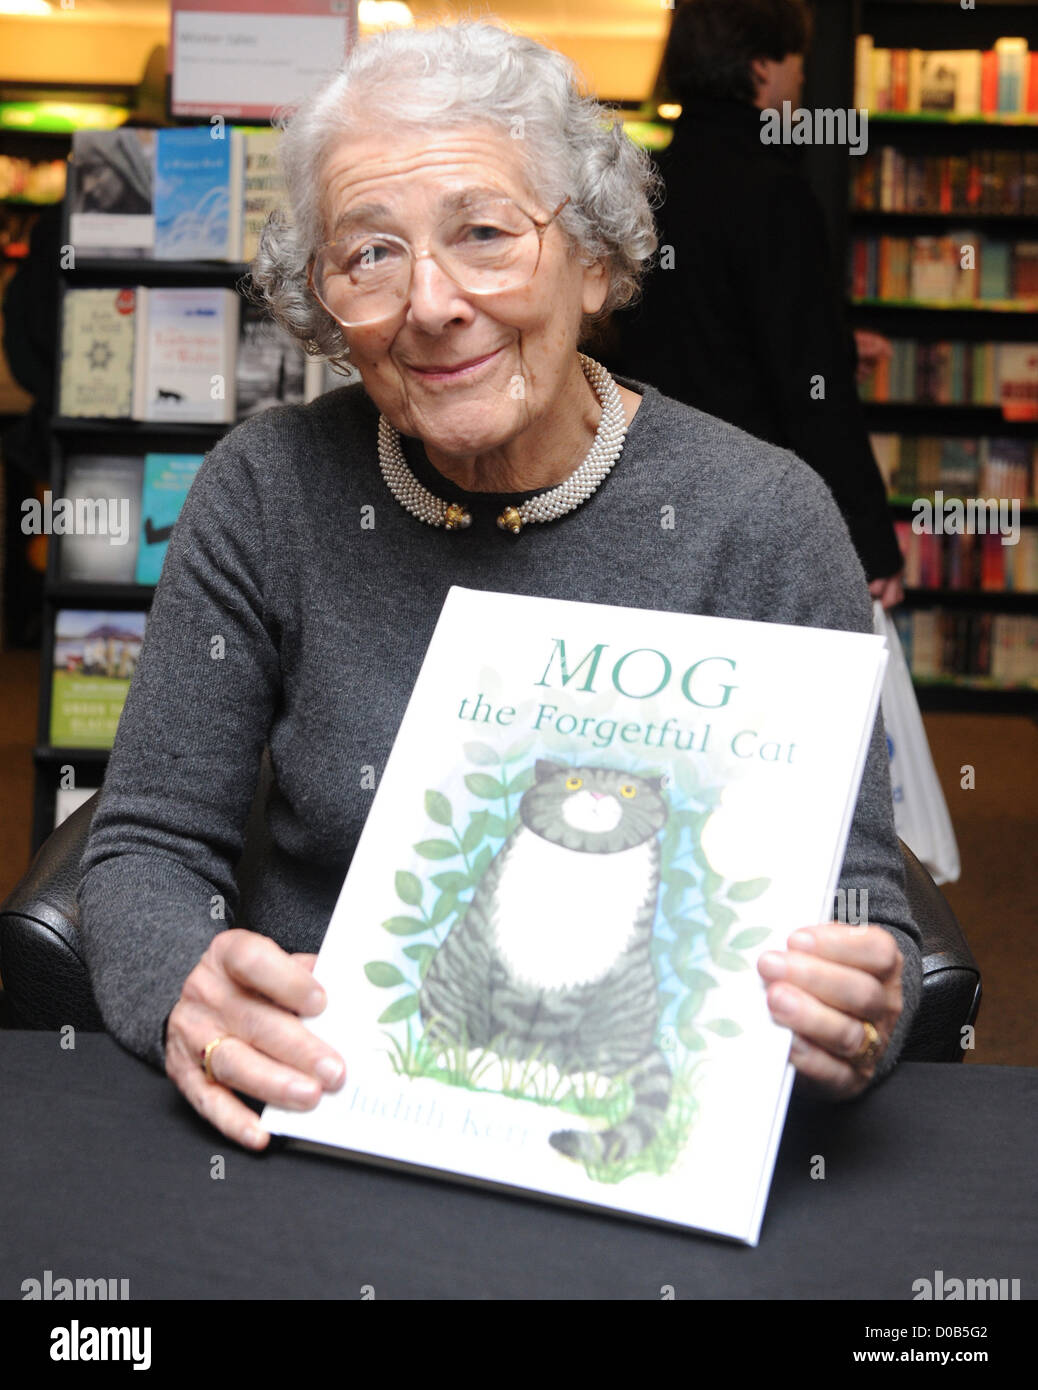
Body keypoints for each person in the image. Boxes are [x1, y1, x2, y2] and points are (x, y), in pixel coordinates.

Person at [78, 20, 920, 1152]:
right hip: (322, 1111)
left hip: (635, 1141)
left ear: (597, 255)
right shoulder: (265, 488)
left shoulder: (764, 518)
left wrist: (866, 1005)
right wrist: (189, 984)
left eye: (483, 233)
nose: (429, 303)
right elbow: (147, 847)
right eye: (370, 253)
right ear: (326, 304)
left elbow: (863, 901)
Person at [604, 0, 905, 607]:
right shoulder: (773, 192)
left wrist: (840, 347)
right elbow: (808, 382)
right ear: (762, 67)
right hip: (749, 499)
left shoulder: (640, 185)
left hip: (640, 488)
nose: (799, 81)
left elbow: (693, 327)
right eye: (796, 63)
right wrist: (869, 543)